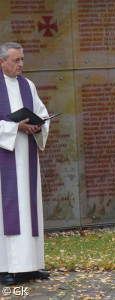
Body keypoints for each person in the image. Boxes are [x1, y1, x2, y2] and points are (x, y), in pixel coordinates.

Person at [0, 42, 50, 286]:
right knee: (6, 213)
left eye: (22, 59)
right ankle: (6, 268)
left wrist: (37, 126)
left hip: (27, 157)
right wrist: (13, 127)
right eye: (15, 60)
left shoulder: (28, 85)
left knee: (29, 211)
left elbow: (42, 112)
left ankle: (30, 266)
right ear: (2, 62)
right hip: (4, 162)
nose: (20, 64)